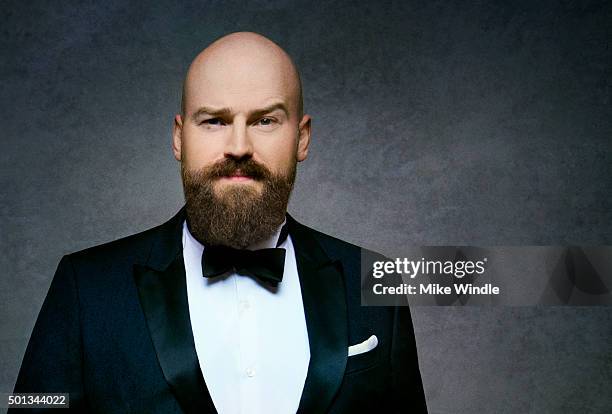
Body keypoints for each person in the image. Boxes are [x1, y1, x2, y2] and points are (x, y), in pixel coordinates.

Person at [12, 32, 427, 413]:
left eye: (265, 120)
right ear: (179, 137)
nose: (239, 146)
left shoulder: (375, 281)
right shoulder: (84, 288)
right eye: (214, 120)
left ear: (301, 138)